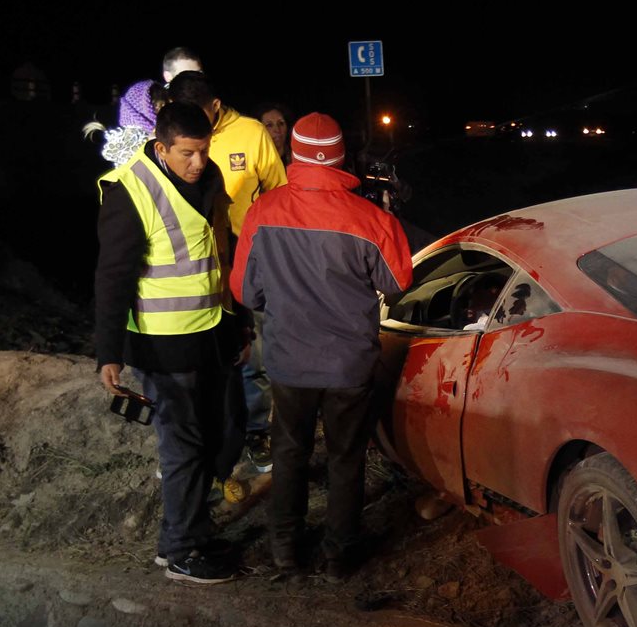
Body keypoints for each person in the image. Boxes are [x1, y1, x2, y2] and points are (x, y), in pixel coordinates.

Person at [231, 113, 412, 579]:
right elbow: (397, 283)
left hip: (289, 361)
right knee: (345, 458)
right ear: (340, 157)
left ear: (292, 154)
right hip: (349, 364)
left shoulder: (262, 211)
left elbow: (245, 292)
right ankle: (339, 556)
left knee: (289, 452)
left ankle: (285, 549)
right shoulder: (370, 219)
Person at [94, 102, 250, 584]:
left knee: (217, 437)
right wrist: (108, 352)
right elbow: (113, 277)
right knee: (183, 448)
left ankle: (190, 535)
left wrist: (239, 325)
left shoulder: (209, 178)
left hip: (212, 333)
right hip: (163, 345)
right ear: (161, 147)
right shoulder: (130, 190)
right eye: (187, 153)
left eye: (204, 150)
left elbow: (221, 253)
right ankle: (181, 551)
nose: (198, 162)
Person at [169, 71, 288, 472]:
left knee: (253, 354)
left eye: (198, 113)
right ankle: (202, 439)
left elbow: (278, 194)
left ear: (215, 106)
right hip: (194, 266)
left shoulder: (252, 134)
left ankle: (256, 431)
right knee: (203, 356)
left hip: (248, 262)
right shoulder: (172, 137)